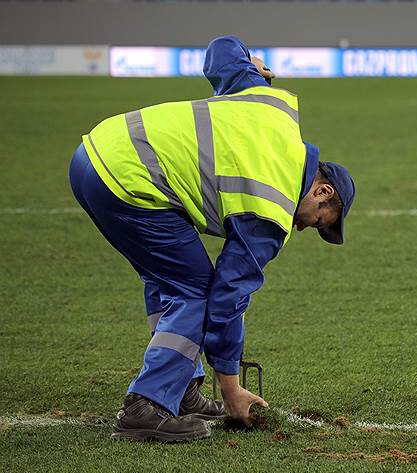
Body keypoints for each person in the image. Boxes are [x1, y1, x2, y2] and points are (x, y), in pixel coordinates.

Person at [68, 35, 356, 442]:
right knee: (196, 289)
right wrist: (231, 387)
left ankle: (180, 388)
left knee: (169, 278)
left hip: (95, 155)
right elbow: (227, 296)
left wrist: (250, 63)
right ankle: (145, 407)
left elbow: (221, 48)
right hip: (130, 179)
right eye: (324, 221)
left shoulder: (272, 108)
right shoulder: (272, 209)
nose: (309, 227)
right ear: (323, 192)